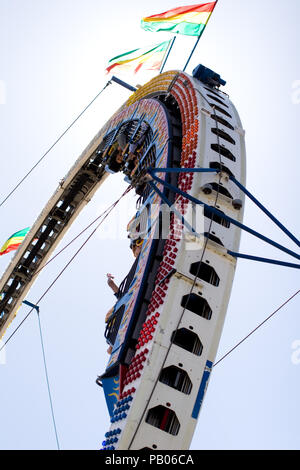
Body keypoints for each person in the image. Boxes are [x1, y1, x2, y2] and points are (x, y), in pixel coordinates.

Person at [104, 238, 144, 353]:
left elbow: (117, 291)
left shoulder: (120, 306)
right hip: (130, 297)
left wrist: (110, 283)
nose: (136, 251)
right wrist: (110, 282)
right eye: (136, 248)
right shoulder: (116, 326)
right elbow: (118, 292)